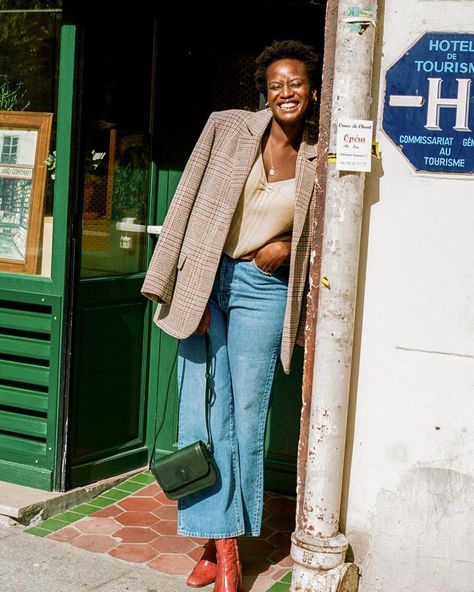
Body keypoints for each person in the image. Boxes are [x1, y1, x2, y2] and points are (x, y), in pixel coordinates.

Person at [142, 39, 320, 592]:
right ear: (264, 93)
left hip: (262, 290)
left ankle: (223, 546)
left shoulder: (324, 154)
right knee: (199, 416)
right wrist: (174, 289)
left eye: (295, 84)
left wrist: (290, 246)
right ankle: (219, 545)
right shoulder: (225, 128)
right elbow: (185, 202)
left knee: (245, 416)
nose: (285, 93)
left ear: (312, 91)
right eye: (276, 85)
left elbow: (335, 231)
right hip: (206, 281)